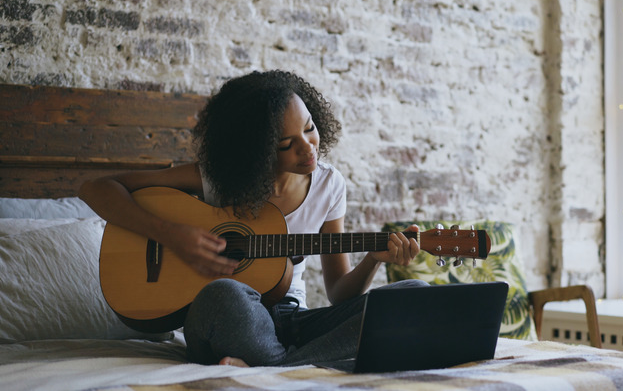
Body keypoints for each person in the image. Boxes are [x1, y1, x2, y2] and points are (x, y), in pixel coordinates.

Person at [79, 70, 425, 367]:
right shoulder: (219, 182)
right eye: (286, 143)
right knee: (224, 294)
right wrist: (172, 236)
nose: (308, 148)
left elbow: (339, 294)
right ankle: (293, 364)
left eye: (309, 128)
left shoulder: (329, 186)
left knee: (415, 294)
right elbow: (97, 188)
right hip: (228, 320)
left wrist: (373, 261)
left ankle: (271, 365)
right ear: (254, 149)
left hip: (291, 321)